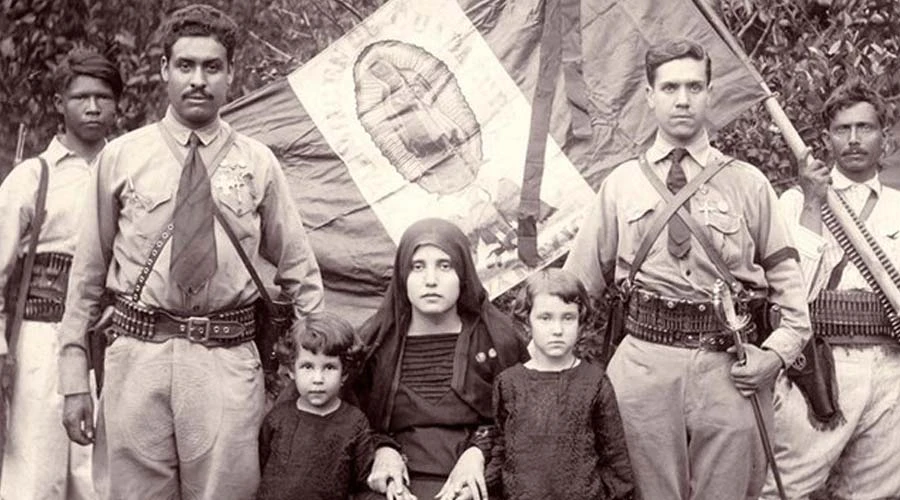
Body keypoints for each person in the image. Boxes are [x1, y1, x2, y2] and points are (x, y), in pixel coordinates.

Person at [56, 5, 324, 499]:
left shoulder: (257, 163)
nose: (198, 80)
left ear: (230, 74)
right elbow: (87, 278)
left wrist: (314, 364)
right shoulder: (122, 158)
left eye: (212, 67)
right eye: (185, 66)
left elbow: (300, 273)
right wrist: (74, 379)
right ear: (163, 70)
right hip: (137, 357)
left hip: (226, 360)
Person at [563, 38, 811, 499]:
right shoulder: (620, 185)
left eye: (694, 87)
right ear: (650, 95)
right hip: (640, 370)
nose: (682, 99)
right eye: (671, 87)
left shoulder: (749, 184)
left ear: (710, 92)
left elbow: (794, 303)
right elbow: (572, 292)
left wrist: (772, 358)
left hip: (730, 369)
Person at [762, 81, 900, 499]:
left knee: (876, 492)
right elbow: (793, 290)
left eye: (865, 127)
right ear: (826, 139)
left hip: (889, 367)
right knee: (785, 488)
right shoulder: (793, 202)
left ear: (885, 136)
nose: (854, 140)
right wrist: (812, 202)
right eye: (842, 129)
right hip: (818, 365)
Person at [0, 47, 121, 499]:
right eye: (81, 97)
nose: (92, 108)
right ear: (59, 104)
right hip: (41, 338)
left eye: (103, 98)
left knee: (101, 476)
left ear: (117, 104)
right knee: (35, 471)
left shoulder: (130, 170)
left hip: (112, 341)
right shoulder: (32, 177)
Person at [352, 217, 527, 500]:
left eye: (444, 266)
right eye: (417, 266)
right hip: (394, 486)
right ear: (402, 277)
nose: (430, 280)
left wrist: (478, 453)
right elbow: (341, 418)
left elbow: (524, 423)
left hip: (476, 483)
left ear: (463, 273)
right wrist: (381, 448)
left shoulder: (497, 340)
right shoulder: (376, 343)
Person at [486, 268, 633, 499]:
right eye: (545, 318)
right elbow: (501, 449)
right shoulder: (509, 383)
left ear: (581, 323)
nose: (557, 330)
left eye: (568, 318)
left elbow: (615, 460)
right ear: (527, 322)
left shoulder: (594, 383)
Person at [258, 311, 373, 500]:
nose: (318, 379)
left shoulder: (355, 423)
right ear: (291, 370)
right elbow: (261, 466)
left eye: (329, 367)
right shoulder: (277, 418)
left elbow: (363, 481)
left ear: (344, 373)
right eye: (307, 367)